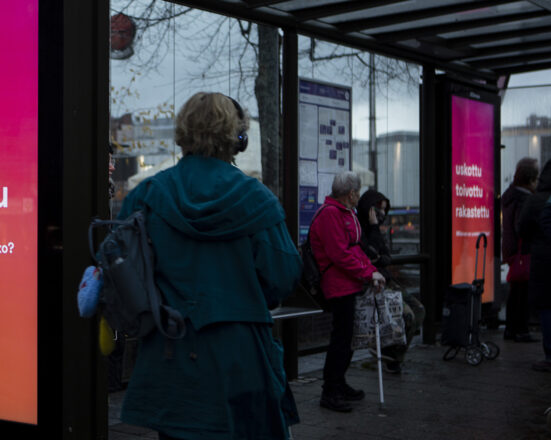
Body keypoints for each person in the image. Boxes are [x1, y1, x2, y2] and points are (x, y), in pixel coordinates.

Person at [117, 92, 301, 439]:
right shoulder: (256, 198)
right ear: (237, 138)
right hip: (241, 361)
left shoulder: (145, 196)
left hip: (170, 358)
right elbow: (283, 277)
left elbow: (126, 275)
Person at [310, 171, 385, 413]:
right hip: (337, 285)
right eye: (358, 192)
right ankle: (330, 390)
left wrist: (371, 271)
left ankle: (338, 384)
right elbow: (340, 255)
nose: (359, 197)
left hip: (347, 283)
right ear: (351, 193)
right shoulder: (331, 214)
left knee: (345, 338)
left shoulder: (343, 213)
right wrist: (368, 273)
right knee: (341, 339)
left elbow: (354, 250)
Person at [356, 189, 425, 374]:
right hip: (373, 283)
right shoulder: (359, 228)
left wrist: (379, 255)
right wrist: (373, 230)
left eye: (385, 210)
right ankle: (391, 358)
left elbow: (385, 256)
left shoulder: (375, 229)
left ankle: (391, 355)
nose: (382, 215)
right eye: (378, 210)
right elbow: (370, 254)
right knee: (407, 315)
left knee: (418, 311)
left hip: (386, 279)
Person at [518, 159, 551, 372]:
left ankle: (550, 356)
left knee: (548, 307)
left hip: (544, 261)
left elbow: (523, 229)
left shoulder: (536, 200)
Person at [502, 157, 540, 342]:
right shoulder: (524, 199)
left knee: (516, 289)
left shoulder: (510, 195)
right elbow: (522, 227)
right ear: (530, 179)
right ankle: (521, 329)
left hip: (511, 250)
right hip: (523, 251)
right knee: (523, 291)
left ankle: (511, 328)